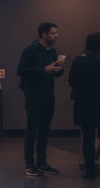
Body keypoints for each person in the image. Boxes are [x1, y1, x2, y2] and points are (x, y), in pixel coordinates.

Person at [17, 22, 65, 177]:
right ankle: (30, 164)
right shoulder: (29, 51)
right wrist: (44, 70)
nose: (56, 35)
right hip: (33, 95)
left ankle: (42, 162)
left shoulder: (52, 51)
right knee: (32, 130)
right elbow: (21, 71)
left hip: (48, 95)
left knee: (44, 130)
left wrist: (58, 70)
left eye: (56, 33)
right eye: (53, 33)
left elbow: (52, 73)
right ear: (44, 35)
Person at [69, 33, 100, 180]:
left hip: (85, 103)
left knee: (88, 137)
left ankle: (90, 171)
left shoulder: (79, 60)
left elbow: (72, 80)